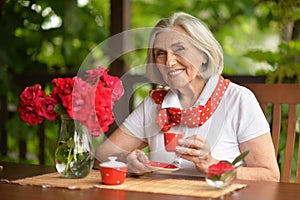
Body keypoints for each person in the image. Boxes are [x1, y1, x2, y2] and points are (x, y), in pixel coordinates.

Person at [95, 12, 280, 181]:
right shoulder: (154, 104)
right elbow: (100, 157)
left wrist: (215, 166)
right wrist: (128, 161)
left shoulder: (238, 99)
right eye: (160, 53)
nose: (169, 62)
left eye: (179, 49)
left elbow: (270, 175)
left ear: (204, 55)